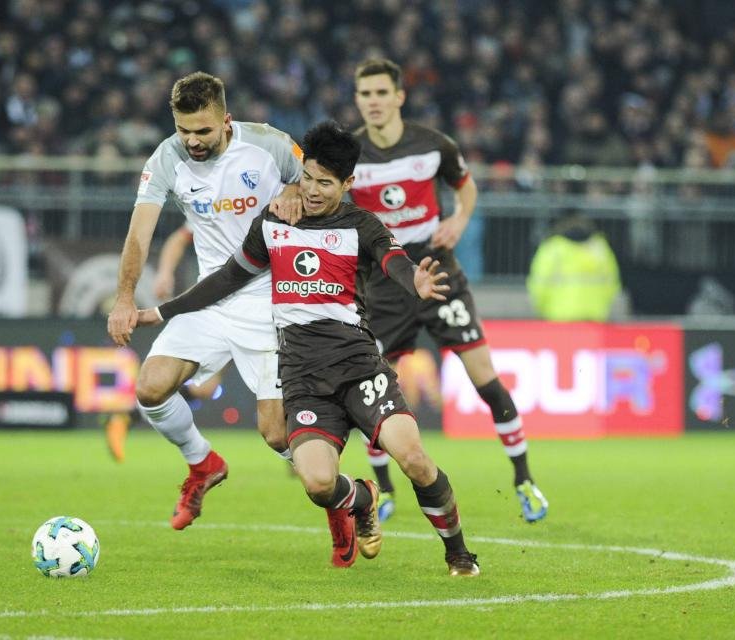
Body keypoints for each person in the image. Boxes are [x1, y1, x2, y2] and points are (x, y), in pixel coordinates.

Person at [136, 121, 481, 576]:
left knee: (414, 458)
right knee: (318, 484)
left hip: (359, 368)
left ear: (347, 184)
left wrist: (413, 279)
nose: (313, 191)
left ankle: (458, 553)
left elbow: (394, 260)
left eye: (325, 183)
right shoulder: (275, 223)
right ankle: (362, 498)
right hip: (302, 376)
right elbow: (225, 279)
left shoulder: (362, 225)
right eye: (308, 178)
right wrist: (165, 312)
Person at [349, 58, 548, 523]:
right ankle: (384, 489)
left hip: (439, 276)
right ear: (358, 100)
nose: (374, 102)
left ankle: (524, 481)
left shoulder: (434, 145)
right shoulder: (349, 154)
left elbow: (467, 186)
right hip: (384, 287)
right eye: (365, 94)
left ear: (399, 97)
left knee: (487, 381)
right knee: (370, 389)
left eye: (382, 93)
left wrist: (458, 219)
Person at [107, 71, 303, 530]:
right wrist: (123, 298)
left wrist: (297, 186)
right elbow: (140, 232)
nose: (192, 141)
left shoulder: (269, 145)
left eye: (203, 131)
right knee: (151, 387)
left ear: (226, 120)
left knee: (277, 436)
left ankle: (346, 498)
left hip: (271, 298)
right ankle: (203, 463)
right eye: (183, 130)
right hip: (211, 297)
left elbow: (323, 181)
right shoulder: (166, 159)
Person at [104, 222, 224, 464]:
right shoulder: (220, 196)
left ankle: (126, 415)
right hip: (218, 302)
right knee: (199, 387)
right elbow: (180, 237)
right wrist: (165, 272)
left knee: (206, 389)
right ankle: (126, 415)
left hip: (263, 307)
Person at [526, 212, 621, 321]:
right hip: (595, 316)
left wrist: (541, 309)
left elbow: (539, 285)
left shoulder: (553, 248)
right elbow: (613, 284)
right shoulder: (600, 248)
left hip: (559, 316)